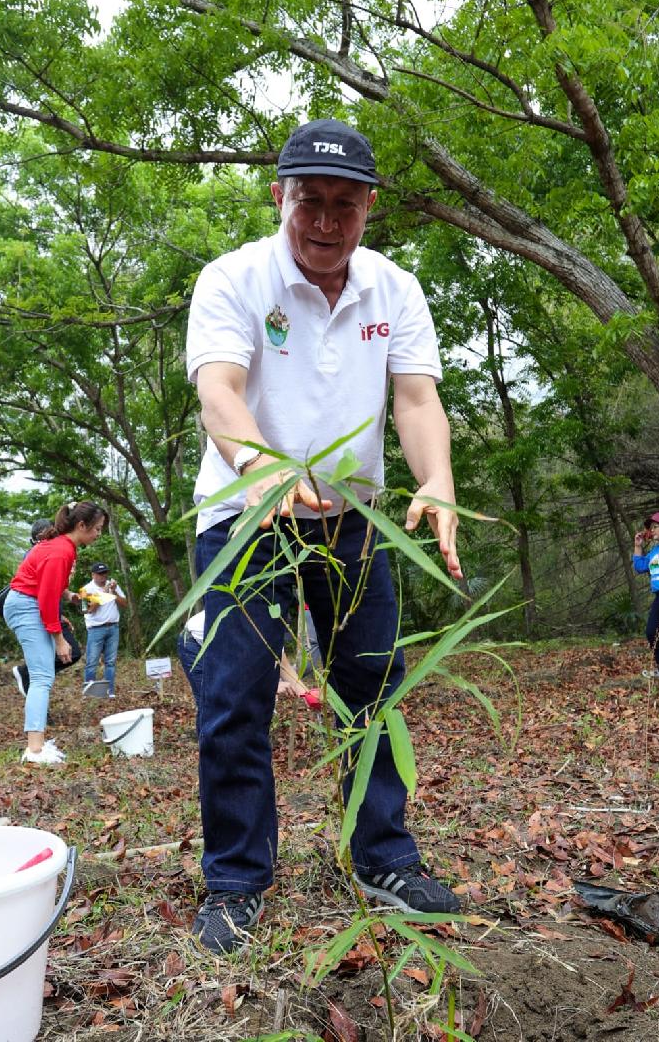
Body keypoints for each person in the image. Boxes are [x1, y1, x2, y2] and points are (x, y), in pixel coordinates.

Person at [185, 118, 463, 953]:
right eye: (310, 200)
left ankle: (383, 857)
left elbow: (415, 402)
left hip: (354, 522)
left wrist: (438, 480)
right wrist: (264, 468)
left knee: (372, 693)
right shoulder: (234, 278)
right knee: (233, 700)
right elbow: (220, 391)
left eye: (346, 203)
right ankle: (236, 881)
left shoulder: (395, 290)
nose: (327, 221)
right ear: (281, 196)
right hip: (247, 517)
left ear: (369, 207)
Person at [3, 501, 108, 764]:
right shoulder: (62, 550)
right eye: (96, 529)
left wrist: (73, 597)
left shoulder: (63, 547)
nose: (98, 534)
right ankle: (35, 750)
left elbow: (51, 585)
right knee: (41, 677)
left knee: (43, 675)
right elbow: (46, 599)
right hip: (26, 605)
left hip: (27, 603)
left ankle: (36, 745)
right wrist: (59, 639)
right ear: (81, 525)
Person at [178, 609, 321, 735]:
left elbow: (285, 667)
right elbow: (234, 674)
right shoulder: (244, 627)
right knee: (211, 703)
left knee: (240, 703)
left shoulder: (271, 630)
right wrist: (271, 686)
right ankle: (210, 751)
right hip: (194, 644)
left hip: (226, 650)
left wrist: (306, 694)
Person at [12, 519, 82, 697]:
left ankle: (30, 679)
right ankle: (27, 675)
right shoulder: (40, 553)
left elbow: (53, 589)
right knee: (42, 672)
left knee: (50, 667)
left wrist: (63, 608)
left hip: (48, 613)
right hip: (35, 613)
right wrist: (58, 636)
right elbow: (43, 593)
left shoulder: (57, 551)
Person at [82, 562, 127, 698]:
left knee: (111, 661)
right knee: (92, 662)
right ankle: (89, 693)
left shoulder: (113, 585)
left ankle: (109, 691)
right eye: (100, 574)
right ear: (93, 575)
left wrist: (113, 592)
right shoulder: (86, 589)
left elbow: (124, 603)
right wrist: (102, 594)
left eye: (105, 573)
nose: (103, 576)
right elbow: (87, 610)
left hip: (113, 627)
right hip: (96, 629)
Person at [633, 511, 659, 678]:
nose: (652, 531)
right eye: (651, 528)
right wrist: (638, 546)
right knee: (652, 631)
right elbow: (640, 567)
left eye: (656, 527)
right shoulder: (653, 553)